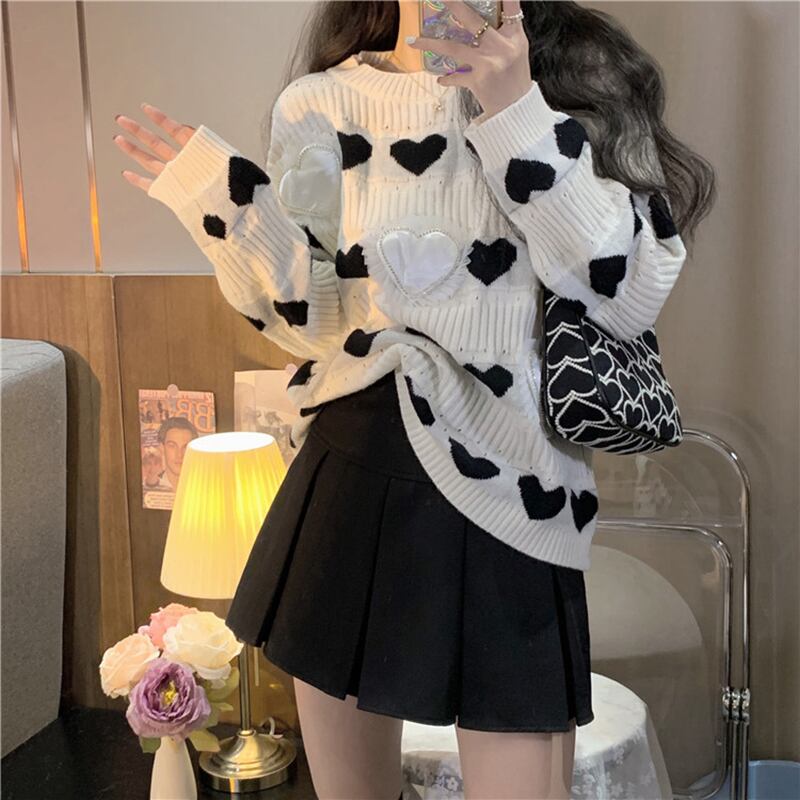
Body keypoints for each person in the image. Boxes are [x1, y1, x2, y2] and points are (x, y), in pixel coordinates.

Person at [114, 1, 715, 797]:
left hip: (514, 495)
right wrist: (226, 206)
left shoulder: (579, 74)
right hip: (353, 465)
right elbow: (315, 320)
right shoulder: (321, 104)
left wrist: (514, 108)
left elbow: (626, 294)